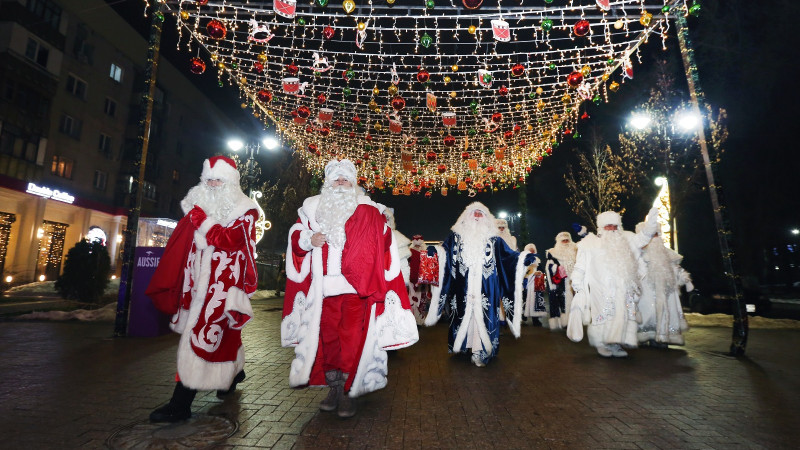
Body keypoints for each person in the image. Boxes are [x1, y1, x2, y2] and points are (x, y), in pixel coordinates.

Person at [280, 159, 418, 418]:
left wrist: (385, 222)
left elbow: (383, 241)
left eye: (345, 179)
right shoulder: (312, 209)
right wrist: (309, 240)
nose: (341, 183)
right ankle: (334, 388)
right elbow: (296, 235)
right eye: (336, 179)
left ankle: (346, 390)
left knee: (352, 339)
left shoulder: (367, 209)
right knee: (329, 339)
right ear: (327, 183)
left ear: (354, 182)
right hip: (323, 290)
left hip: (356, 289)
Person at [147, 155, 259, 423]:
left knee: (199, 337)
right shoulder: (197, 207)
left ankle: (180, 403)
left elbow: (230, 240)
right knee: (225, 334)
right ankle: (233, 374)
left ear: (230, 182)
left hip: (222, 287)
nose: (211, 183)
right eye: (207, 178)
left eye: (218, 179)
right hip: (195, 284)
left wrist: (201, 219)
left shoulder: (246, 210)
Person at [425, 202, 538, 367]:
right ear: (466, 216)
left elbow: (508, 257)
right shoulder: (455, 236)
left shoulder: (494, 240)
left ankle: (481, 350)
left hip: (486, 288)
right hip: (461, 287)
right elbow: (445, 251)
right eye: (474, 213)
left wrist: (522, 258)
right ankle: (464, 345)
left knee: (483, 320)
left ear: (487, 218)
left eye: (481, 214)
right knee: (463, 315)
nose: (477, 217)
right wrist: (435, 251)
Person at [567, 208, 658, 358]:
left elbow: (643, 238)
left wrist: (651, 224)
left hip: (622, 289)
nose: (612, 229)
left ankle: (616, 343)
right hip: (600, 289)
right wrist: (576, 281)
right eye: (608, 226)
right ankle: (602, 343)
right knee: (603, 315)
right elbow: (580, 265)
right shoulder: (589, 243)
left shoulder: (627, 239)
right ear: (601, 227)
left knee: (620, 315)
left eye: (614, 226)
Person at [635, 223, 694, 347]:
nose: (655, 238)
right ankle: (646, 336)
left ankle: (663, 337)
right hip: (646, 291)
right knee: (647, 313)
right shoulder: (639, 254)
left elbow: (676, 269)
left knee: (665, 312)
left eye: (656, 234)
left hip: (666, 292)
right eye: (652, 235)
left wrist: (685, 278)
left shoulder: (667, 254)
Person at [544, 232, 578, 330]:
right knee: (564, 302)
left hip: (575, 281)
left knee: (576, 302)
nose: (566, 242)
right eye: (563, 240)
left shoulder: (576, 250)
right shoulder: (553, 252)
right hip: (562, 282)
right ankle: (566, 322)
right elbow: (548, 266)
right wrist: (557, 268)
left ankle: (575, 321)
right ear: (559, 241)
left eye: (567, 240)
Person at [407, 234, 432, 324]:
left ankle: (419, 320)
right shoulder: (409, 252)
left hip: (422, 281)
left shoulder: (426, 252)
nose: (417, 246)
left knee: (422, 300)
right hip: (412, 280)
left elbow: (429, 268)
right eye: (416, 244)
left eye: (419, 244)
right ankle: (411, 320)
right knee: (412, 299)